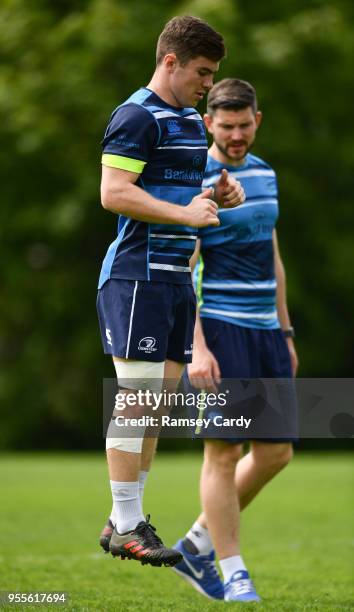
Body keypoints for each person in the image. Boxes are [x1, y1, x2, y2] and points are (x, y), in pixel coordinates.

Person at [96, 19, 245, 568]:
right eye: (203, 72)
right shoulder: (136, 115)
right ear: (171, 62)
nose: (208, 83)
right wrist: (185, 212)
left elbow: (182, 187)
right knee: (136, 397)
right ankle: (129, 522)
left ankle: (124, 518)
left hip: (176, 277)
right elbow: (114, 193)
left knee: (157, 402)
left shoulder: (185, 118)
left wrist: (217, 192)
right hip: (137, 274)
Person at [172, 79, 299, 600]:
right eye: (227, 126)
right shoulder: (194, 179)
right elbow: (184, 268)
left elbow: (272, 254)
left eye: (245, 124)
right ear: (209, 125)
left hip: (267, 332)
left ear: (257, 120)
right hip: (221, 330)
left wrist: (285, 329)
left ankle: (196, 543)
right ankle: (232, 570)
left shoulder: (266, 173)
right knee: (223, 453)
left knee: (277, 453)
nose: (237, 134)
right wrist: (197, 347)